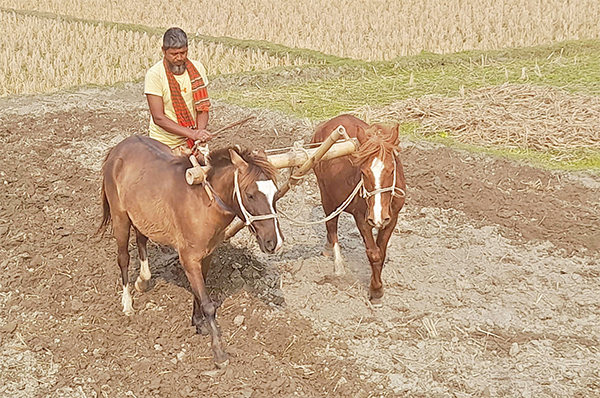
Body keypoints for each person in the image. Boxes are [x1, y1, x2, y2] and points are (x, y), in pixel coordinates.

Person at [144, 27, 212, 156]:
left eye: (183, 52)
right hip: (164, 143)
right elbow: (158, 117)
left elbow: (202, 107)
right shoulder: (155, 75)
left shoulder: (198, 69)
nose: (179, 58)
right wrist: (193, 134)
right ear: (164, 51)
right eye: (174, 54)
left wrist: (200, 133)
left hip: (192, 140)